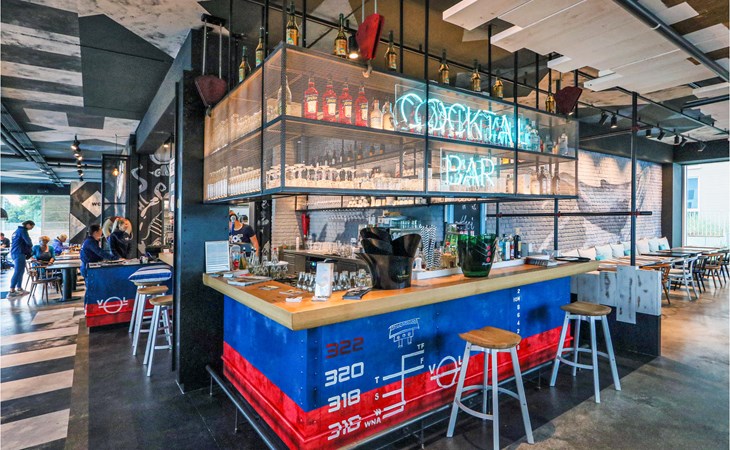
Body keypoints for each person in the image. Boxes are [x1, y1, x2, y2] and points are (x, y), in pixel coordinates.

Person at [8, 220, 34, 297]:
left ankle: (19, 288)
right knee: (17, 271)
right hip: (19, 253)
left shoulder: (16, 231)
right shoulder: (23, 231)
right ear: (28, 224)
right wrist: (30, 251)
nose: (32, 228)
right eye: (32, 226)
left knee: (21, 271)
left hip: (15, 253)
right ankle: (12, 290)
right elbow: (29, 242)